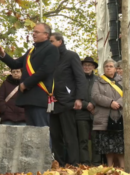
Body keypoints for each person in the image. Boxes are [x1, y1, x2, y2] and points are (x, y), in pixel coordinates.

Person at [0, 23, 59, 127]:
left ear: (46, 35)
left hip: (39, 96)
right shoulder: (31, 51)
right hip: (28, 98)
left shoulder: (51, 49)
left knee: (41, 131)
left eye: (36, 32)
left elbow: (45, 70)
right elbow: (15, 64)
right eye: (33, 31)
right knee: (31, 134)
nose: (33, 34)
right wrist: (3, 54)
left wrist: (26, 84)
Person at [49, 32, 87, 166]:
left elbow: (80, 78)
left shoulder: (71, 56)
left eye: (51, 41)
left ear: (60, 42)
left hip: (67, 102)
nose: (49, 43)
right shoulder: (49, 58)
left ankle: (74, 163)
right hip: (51, 103)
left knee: (69, 135)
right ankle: (59, 163)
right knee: (55, 135)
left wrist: (79, 98)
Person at [92, 59, 130, 168]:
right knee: (107, 145)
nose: (108, 68)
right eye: (106, 66)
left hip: (120, 115)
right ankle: (109, 167)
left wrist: (118, 103)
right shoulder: (98, 81)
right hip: (104, 116)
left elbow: (129, 94)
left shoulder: (123, 81)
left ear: (115, 68)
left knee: (120, 145)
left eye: (111, 66)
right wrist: (110, 103)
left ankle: (123, 167)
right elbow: (95, 96)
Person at [76, 56, 101, 166]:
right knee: (83, 140)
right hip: (81, 113)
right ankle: (85, 163)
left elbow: (102, 95)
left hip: (96, 113)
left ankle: (96, 162)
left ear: (94, 67)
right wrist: (87, 105)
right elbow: (74, 95)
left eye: (89, 65)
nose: (87, 67)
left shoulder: (99, 80)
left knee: (97, 140)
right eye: (85, 65)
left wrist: (94, 106)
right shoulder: (76, 79)